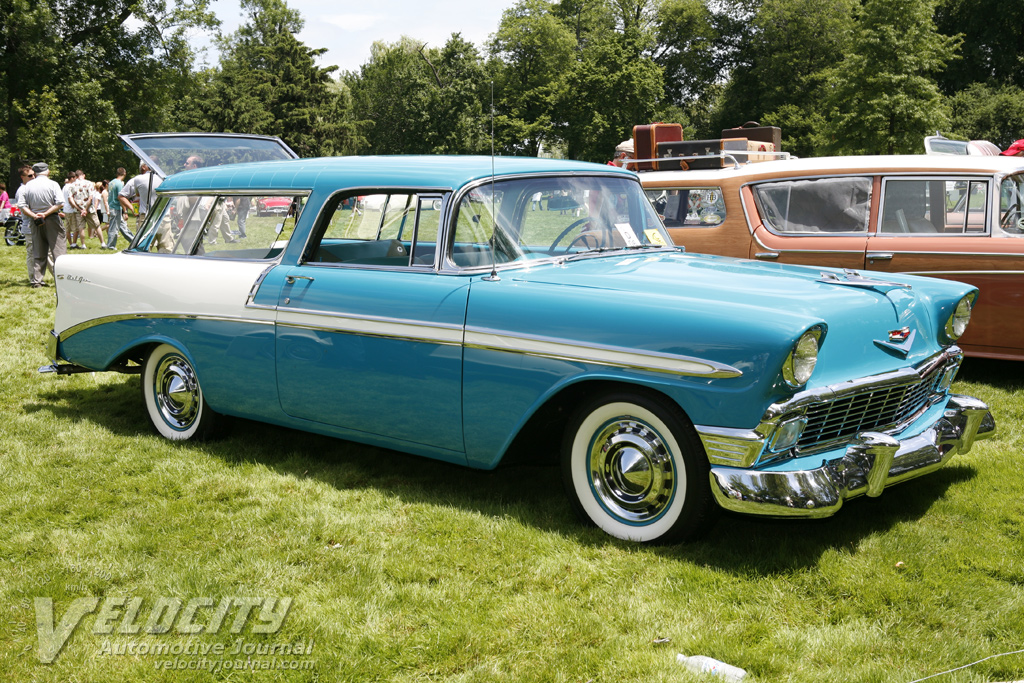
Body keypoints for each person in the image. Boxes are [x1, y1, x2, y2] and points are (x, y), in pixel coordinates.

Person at [18, 162, 65, 288]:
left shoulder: (27, 186)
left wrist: (35, 215)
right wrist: (45, 213)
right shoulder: (53, 184)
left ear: (35, 172)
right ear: (47, 171)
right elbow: (60, 203)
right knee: (58, 251)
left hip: (35, 221)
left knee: (38, 251)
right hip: (52, 219)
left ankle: (36, 281)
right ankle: (63, 280)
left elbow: (22, 206)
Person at [119, 160, 162, 244]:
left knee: (163, 247)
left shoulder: (161, 178)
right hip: (146, 216)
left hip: (161, 216)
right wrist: (132, 208)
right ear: (143, 166)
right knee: (144, 245)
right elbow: (121, 195)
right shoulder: (136, 180)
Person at [105, 167, 126, 249]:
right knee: (113, 228)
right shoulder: (119, 183)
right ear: (124, 173)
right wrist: (125, 211)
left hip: (112, 206)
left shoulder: (111, 182)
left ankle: (133, 241)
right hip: (116, 208)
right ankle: (110, 246)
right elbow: (121, 197)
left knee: (124, 228)